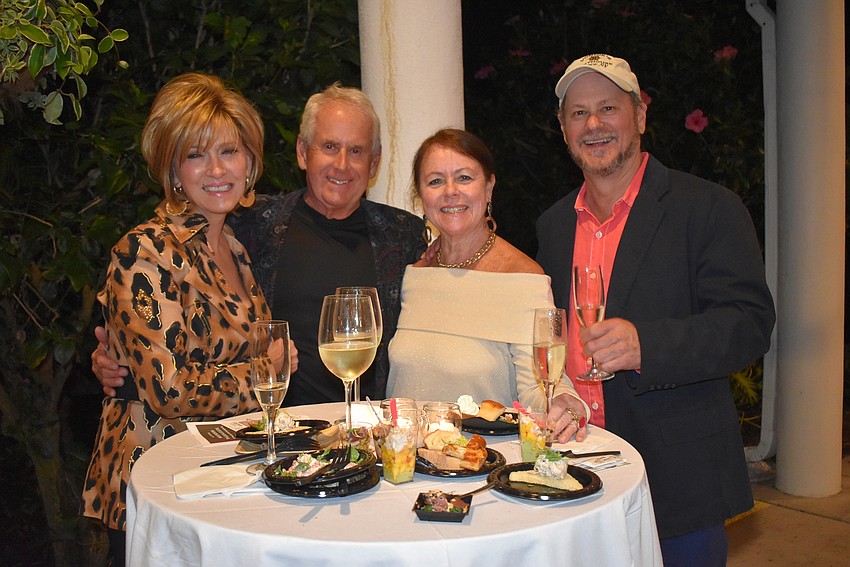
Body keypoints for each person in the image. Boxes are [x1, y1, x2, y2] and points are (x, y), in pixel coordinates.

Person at [536, 54, 776, 566]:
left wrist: (648, 345)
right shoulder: (553, 225)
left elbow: (749, 323)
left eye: (608, 108)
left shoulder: (708, 208)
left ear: (640, 117)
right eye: (578, 113)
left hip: (678, 477)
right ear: (563, 129)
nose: (594, 124)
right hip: (577, 465)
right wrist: (567, 393)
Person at [92, 83, 426, 406]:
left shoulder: (404, 234)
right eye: (328, 146)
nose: (341, 164)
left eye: (356, 150)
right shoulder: (251, 224)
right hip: (273, 438)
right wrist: (117, 360)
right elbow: (146, 320)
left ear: (375, 162)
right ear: (301, 152)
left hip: (359, 438)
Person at [81, 73, 291, 563]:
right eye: (196, 154)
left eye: (229, 151)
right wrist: (268, 371)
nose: (216, 169)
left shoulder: (232, 248)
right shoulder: (144, 251)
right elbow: (169, 389)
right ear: (173, 168)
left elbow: (255, 346)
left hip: (224, 475)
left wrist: (274, 358)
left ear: (250, 162)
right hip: (159, 486)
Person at [387, 129, 589, 441]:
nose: (450, 191)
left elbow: (543, 382)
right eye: (435, 181)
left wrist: (566, 405)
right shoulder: (415, 274)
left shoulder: (523, 278)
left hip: (481, 467)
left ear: (489, 187)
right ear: (421, 195)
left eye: (465, 178)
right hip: (404, 464)